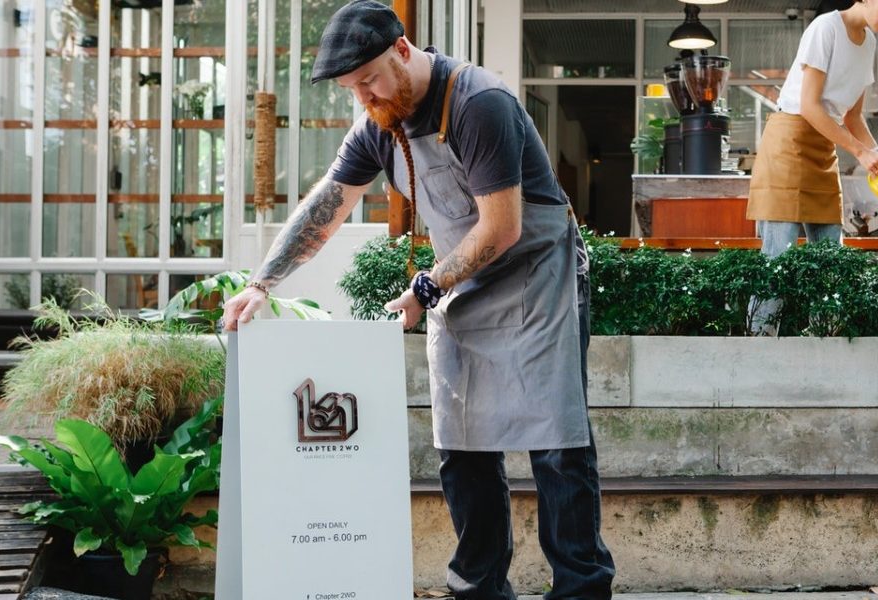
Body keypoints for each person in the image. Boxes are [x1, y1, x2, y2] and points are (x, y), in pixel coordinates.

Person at [220, 1, 615, 598]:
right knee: (461, 445)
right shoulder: (381, 122)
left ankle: (581, 589)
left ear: (402, 52)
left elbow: (503, 228)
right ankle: (479, 587)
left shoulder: (479, 103)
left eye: (370, 79)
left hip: (537, 275)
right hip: (463, 282)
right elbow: (328, 206)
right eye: (352, 89)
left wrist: (425, 287)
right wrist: (261, 283)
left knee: (556, 446)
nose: (364, 98)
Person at [744, 0, 878, 335]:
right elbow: (809, 105)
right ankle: (756, 352)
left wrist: (876, 154)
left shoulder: (871, 42)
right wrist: (860, 153)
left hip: (823, 147)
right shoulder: (825, 28)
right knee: (779, 262)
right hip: (788, 142)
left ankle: (825, 349)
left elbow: (851, 116)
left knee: (829, 264)